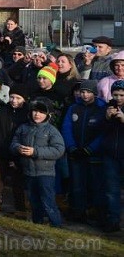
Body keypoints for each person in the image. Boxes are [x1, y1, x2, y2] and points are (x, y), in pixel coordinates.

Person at [10, 99, 65, 227]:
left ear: (47, 115)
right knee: (33, 200)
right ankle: (37, 224)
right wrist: (18, 148)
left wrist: (35, 152)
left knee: (48, 201)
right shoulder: (23, 128)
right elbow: (13, 143)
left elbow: (59, 150)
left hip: (45, 173)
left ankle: (56, 224)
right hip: (28, 171)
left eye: (41, 112)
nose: (37, 114)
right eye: (35, 111)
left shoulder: (52, 130)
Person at [62, 79, 106, 225]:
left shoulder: (101, 108)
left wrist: (90, 148)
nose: (85, 95)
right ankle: (78, 212)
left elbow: (103, 132)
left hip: (94, 155)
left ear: (95, 93)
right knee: (77, 184)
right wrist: (71, 147)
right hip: (76, 153)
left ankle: (96, 213)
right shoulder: (74, 108)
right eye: (83, 92)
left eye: (88, 92)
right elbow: (66, 128)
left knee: (95, 184)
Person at [0, 86, 29, 215]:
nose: (14, 100)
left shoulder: (27, 115)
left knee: (18, 186)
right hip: (1, 153)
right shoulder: (0, 112)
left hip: (19, 155)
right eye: (12, 97)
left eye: (18, 98)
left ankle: (21, 211)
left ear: (24, 100)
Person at [102, 80, 124, 233]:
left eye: (122, 95)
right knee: (111, 190)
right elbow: (99, 130)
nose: (118, 98)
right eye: (115, 94)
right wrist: (107, 119)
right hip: (110, 154)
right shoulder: (107, 108)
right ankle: (113, 220)